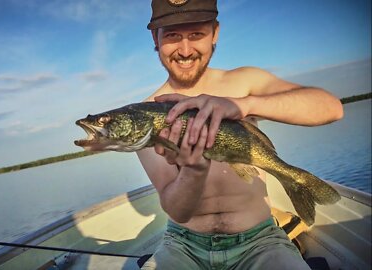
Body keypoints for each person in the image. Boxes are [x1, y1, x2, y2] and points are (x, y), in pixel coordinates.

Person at [136, 0, 344, 269]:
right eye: (173, 35)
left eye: (196, 34)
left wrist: (244, 105)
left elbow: (330, 107)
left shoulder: (245, 82)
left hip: (261, 240)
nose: (185, 50)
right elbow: (179, 211)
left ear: (215, 32)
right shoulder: (145, 115)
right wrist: (194, 169)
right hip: (183, 244)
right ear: (156, 37)